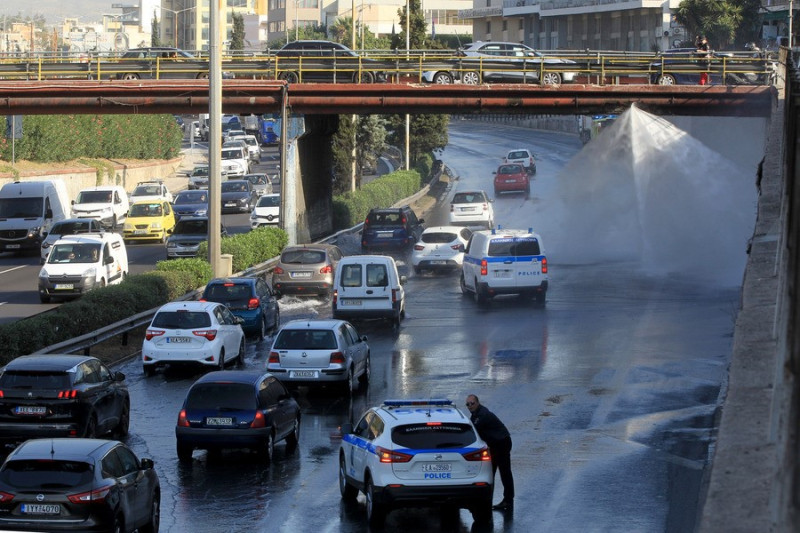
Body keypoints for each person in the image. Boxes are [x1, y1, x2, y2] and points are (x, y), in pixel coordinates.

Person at [466, 394, 514, 511]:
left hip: (502, 443)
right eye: (467, 404)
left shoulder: (482, 415)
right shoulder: (475, 415)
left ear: (478, 403)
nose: (470, 406)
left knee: (504, 472)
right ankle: (488, 501)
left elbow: (472, 432)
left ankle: (508, 500)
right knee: (491, 472)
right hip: (494, 444)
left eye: (472, 403)